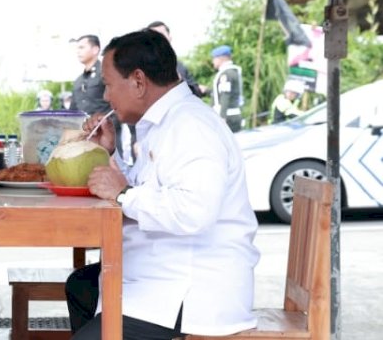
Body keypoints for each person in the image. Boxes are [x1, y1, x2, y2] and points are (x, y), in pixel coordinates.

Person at [66, 29, 260, 339]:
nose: (105, 96)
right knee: (82, 286)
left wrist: (123, 193)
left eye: (109, 85)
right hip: (163, 271)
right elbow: (152, 187)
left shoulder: (191, 125)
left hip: (188, 291)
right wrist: (110, 155)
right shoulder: (167, 120)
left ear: (139, 82)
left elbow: (194, 211)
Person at [70, 34, 133, 157]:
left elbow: (121, 102)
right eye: (77, 48)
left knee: (114, 168)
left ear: (95, 49)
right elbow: (73, 110)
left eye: (82, 47)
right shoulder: (78, 80)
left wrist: (110, 127)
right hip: (85, 136)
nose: (78, 52)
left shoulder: (107, 74)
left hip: (107, 135)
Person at [147, 21, 206, 97]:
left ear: (170, 37)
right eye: (154, 36)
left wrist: (180, 81)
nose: (158, 39)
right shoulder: (143, 69)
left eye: (161, 35)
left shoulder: (180, 66)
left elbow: (197, 93)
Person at [209, 45, 244, 132]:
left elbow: (225, 95)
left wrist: (222, 117)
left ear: (220, 59)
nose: (213, 61)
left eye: (214, 59)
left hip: (228, 117)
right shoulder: (232, 72)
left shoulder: (226, 74)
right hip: (232, 115)